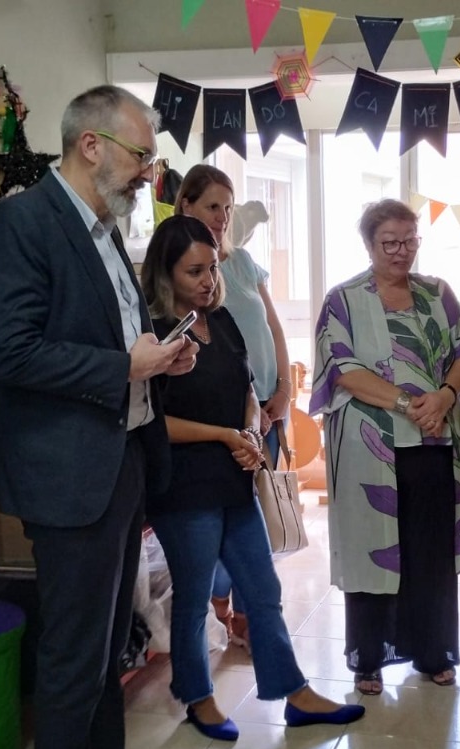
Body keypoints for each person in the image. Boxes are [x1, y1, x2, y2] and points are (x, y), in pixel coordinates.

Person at [0, 85, 197, 749]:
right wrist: (123, 365)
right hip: (66, 473)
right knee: (73, 651)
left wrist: (160, 356)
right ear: (91, 145)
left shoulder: (106, 229)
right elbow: (13, 352)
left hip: (120, 457)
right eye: (141, 155)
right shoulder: (24, 222)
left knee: (109, 639)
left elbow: (109, 340)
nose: (148, 173)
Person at [140, 215, 364, 738]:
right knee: (194, 598)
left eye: (212, 268)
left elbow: (245, 387)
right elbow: (152, 421)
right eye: (194, 271)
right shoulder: (153, 335)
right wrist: (224, 436)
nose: (208, 281)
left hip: (234, 478)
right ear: (166, 274)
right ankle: (197, 697)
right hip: (183, 487)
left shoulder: (219, 321)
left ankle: (294, 692)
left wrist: (247, 430)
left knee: (262, 590)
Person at [310, 199, 460, 695]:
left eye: (409, 240)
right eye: (390, 243)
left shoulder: (437, 293)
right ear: (369, 244)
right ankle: (369, 658)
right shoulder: (343, 300)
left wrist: (444, 396)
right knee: (374, 548)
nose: (402, 251)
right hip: (370, 448)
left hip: (433, 441)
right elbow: (344, 370)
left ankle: (433, 652)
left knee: (430, 550)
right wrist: (408, 404)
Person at [175, 165, 291, 647]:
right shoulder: (181, 274)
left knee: (258, 510)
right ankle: (226, 601)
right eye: (212, 206)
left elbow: (273, 327)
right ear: (186, 206)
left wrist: (283, 389)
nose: (223, 216)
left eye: (228, 206)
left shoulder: (241, 262)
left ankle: (239, 608)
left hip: (264, 407)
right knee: (232, 518)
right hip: (221, 417)